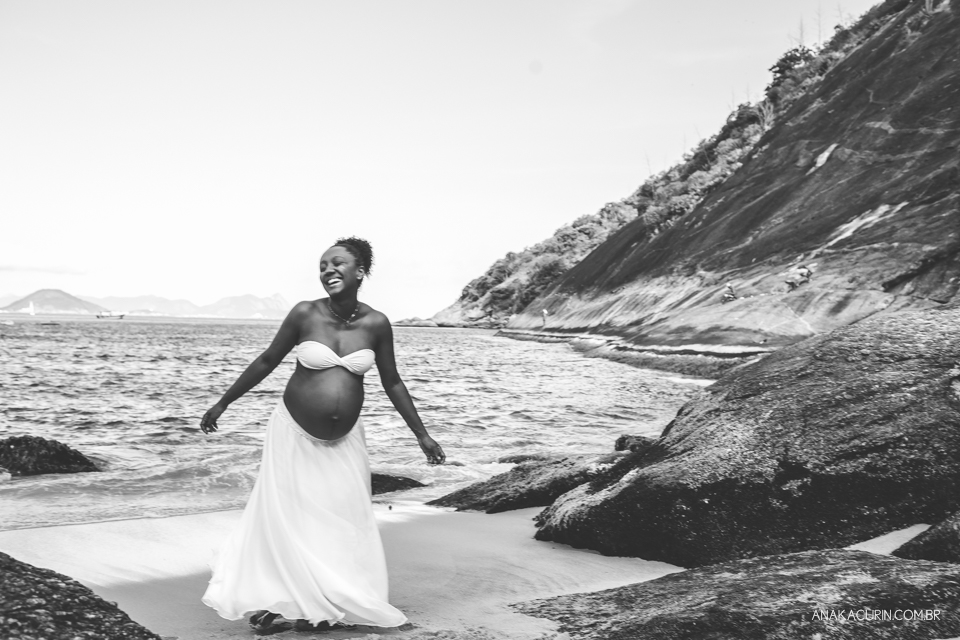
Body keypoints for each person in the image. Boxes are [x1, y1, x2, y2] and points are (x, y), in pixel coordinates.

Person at [199, 237, 444, 633]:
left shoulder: (377, 323)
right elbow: (266, 360)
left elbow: (393, 382)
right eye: (323, 265)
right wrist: (223, 404)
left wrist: (422, 435)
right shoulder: (304, 314)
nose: (328, 269)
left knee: (344, 522)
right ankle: (291, 604)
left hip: (345, 442)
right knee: (292, 521)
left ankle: (322, 603)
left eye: (338, 263)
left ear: (360, 271)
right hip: (292, 433)